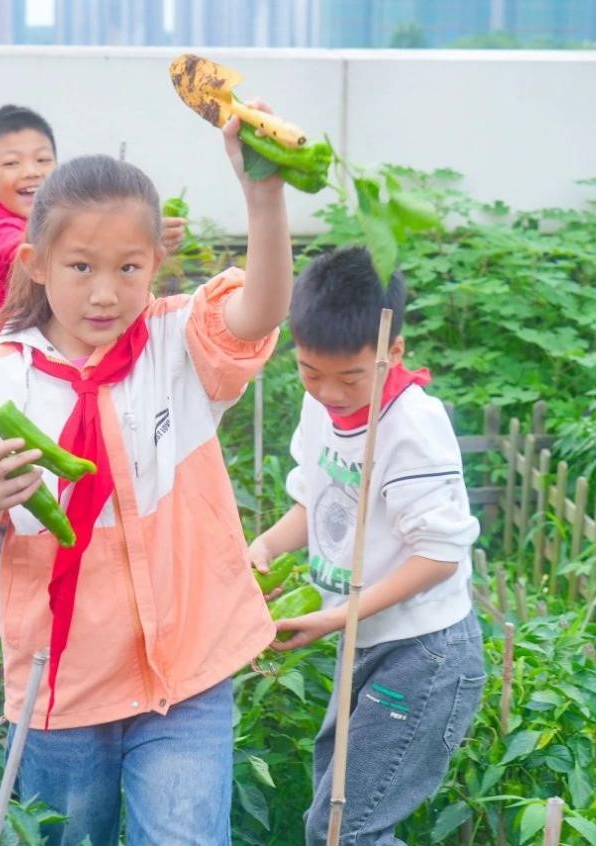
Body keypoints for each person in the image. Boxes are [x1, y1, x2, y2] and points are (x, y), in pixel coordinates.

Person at [0, 106, 292, 845]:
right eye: (80, 267)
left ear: (154, 262)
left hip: (185, 668)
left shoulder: (174, 343)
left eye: (128, 268)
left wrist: (264, 196)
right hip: (63, 683)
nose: (105, 293)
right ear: (36, 264)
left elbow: (258, 313)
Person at [249, 246, 486, 846]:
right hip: (364, 636)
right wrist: (266, 546)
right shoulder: (322, 409)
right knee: (331, 814)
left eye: (350, 377)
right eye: (310, 372)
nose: (329, 391)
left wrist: (338, 617)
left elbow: (440, 556)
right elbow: (315, 502)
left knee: (346, 829)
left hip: (422, 650)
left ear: (393, 352)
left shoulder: (412, 427)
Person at [0, 104, 186, 638]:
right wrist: (116, 242)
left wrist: (116, 241)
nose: (29, 171)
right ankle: (3, 637)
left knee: (48, 515)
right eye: (13, 163)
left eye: (41, 160)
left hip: (48, 385)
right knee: (6, 533)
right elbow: (16, 251)